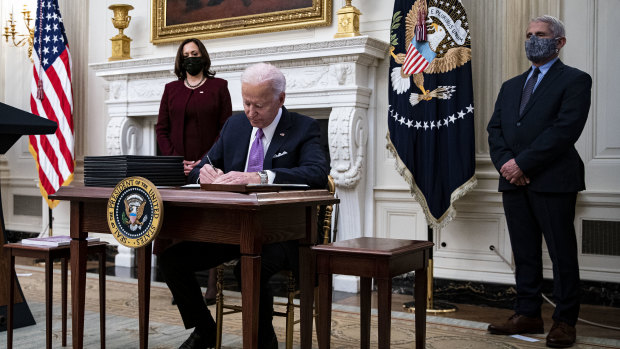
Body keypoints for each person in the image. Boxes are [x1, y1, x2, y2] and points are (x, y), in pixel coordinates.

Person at [159, 62, 329, 349]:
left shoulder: (303, 127)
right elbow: (199, 167)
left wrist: (261, 176)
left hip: (283, 235)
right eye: (247, 102)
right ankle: (204, 330)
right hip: (234, 230)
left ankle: (264, 342)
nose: (251, 112)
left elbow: (317, 174)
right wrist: (204, 173)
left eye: (259, 105)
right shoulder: (235, 125)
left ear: (281, 99)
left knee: (250, 266)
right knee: (171, 259)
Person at [486, 15, 592, 348]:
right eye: (529, 35)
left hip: (554, 180)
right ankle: (527, 313)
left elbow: (564, 130)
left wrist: (523, 163)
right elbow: (495, 131)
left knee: (562, 253)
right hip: (513, 182)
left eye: (541, 35)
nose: (533, 40)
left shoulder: (575, 80)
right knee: (524, 252)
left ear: (559, 42)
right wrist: (507, 165)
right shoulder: (510, 86)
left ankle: (564, 321)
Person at [155, 38, 232, 304]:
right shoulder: (171, 89)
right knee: (179, 223)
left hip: (211, 167)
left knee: (212, 223)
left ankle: (213, 285)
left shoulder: (219, 87)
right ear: (180, 59)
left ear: (203, 56)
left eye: (195, 53)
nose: (191, 58)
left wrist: (203, 161)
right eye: (186, 54)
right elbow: (161, 128)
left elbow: (227, 129)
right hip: (176, 167)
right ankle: (182, 287)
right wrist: (176, 160)